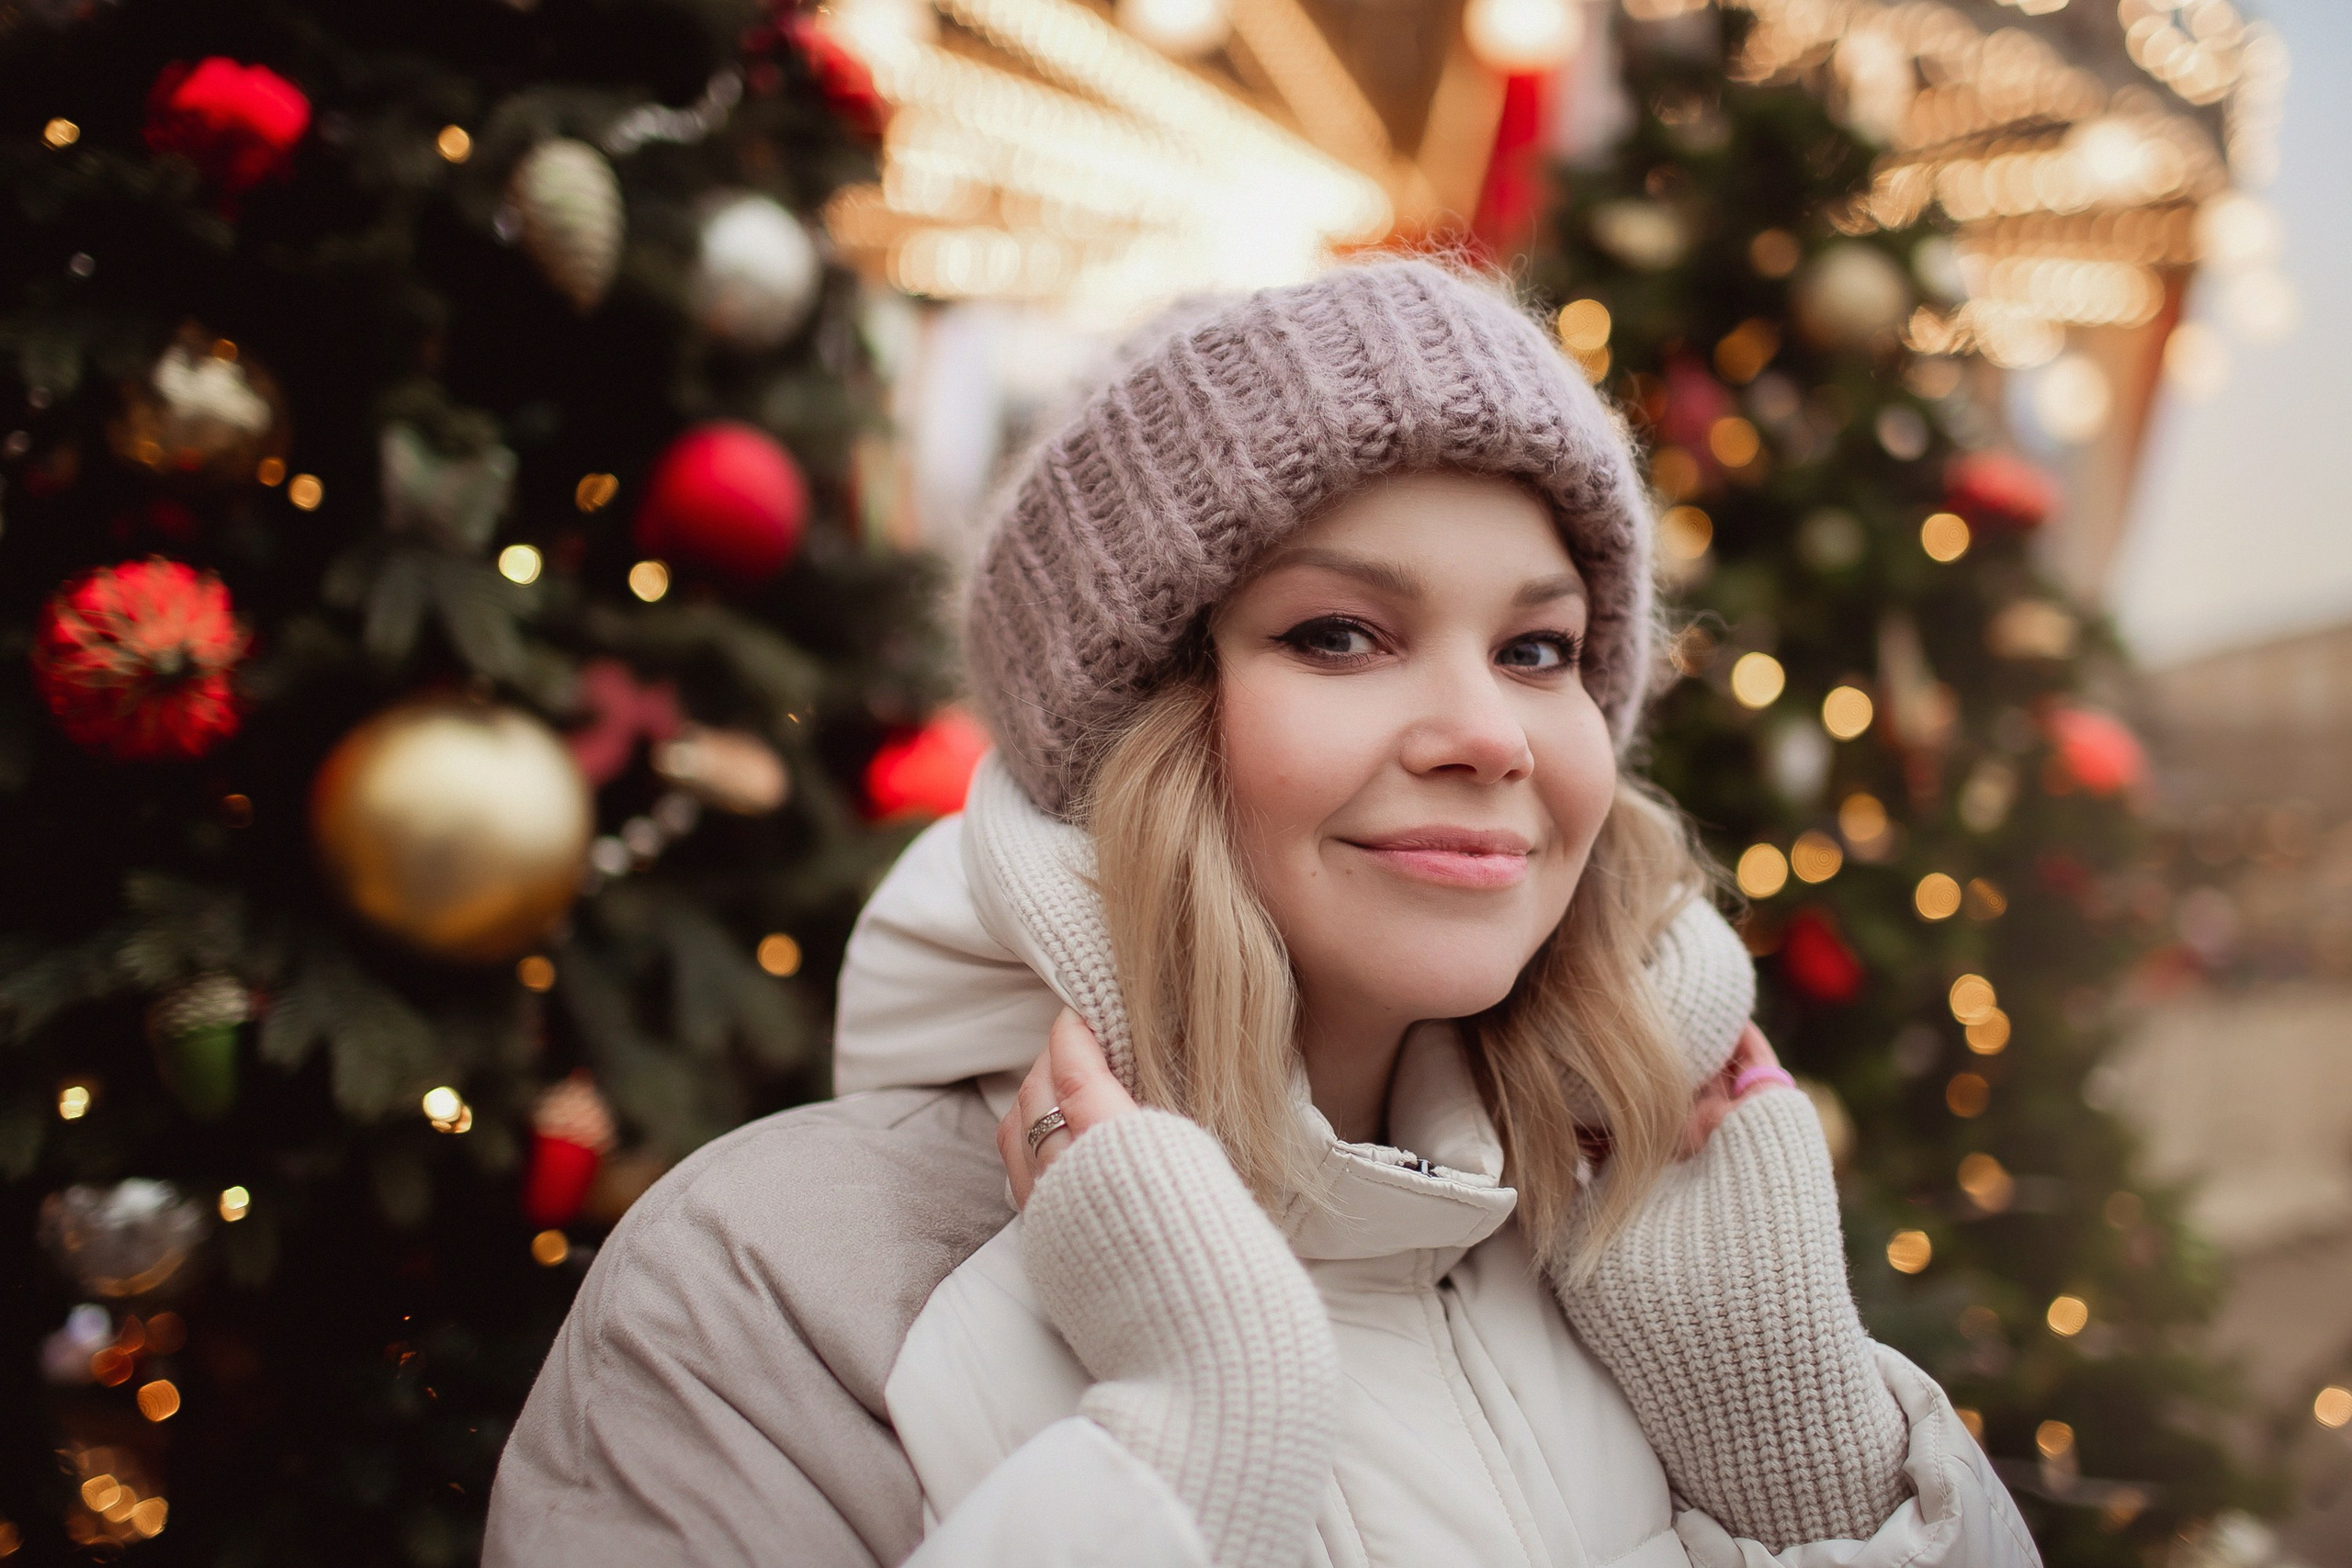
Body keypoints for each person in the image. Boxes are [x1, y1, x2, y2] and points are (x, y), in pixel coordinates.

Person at [484, 260, 2038, 1568]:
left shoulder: (1654, 1258)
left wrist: (1806, 1463)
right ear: (1138, 730)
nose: (1488, 732)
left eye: (1540, 649)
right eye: (1343, 633)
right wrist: (1181, 1457)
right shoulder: (773, 1281)